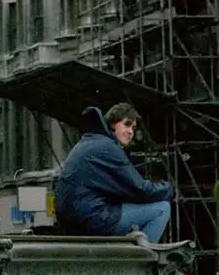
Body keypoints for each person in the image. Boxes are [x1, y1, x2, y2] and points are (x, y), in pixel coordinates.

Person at [54, 102, 174, 243]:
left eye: (134, 128)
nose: (131, 132)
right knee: (162, 208)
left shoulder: (90, 141)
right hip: (92, 218)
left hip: (73, 220)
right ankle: (141, 262)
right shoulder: (108, 147)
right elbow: (140, 189)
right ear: (112, 124)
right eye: (127, 124)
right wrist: (169, 189)